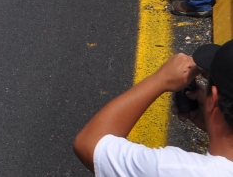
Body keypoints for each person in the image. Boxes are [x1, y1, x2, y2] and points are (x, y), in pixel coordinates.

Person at [73, 43, 233, 173]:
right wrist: (212, 127)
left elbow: (90, 144)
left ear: (213, 99)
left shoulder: (176, 170)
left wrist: (161, 80)